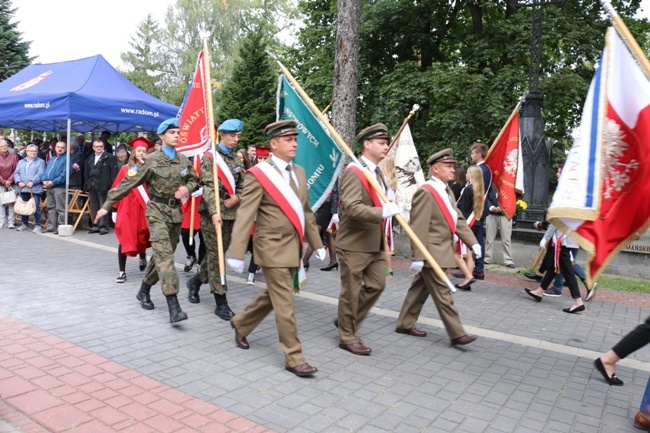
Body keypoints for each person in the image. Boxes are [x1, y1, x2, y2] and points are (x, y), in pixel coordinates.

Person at [227, 120, 325, 377]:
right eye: (288, 140)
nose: (294, 144)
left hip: (292, 247)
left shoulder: (300, 172)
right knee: (285, 303)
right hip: (270, 248)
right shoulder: (259, 174)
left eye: (295, 139)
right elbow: (246, 214)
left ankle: (241, 323)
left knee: (275, 294)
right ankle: (294, 357)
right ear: (273, 144)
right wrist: (237, 253)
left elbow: (305, 211)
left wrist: (317, 243)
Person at [95, 118, 199, 323]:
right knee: (166, 258)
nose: (176, 135)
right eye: (172, 132)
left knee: (160, 256)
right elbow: (127, 183)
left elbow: (194, 179)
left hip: (175, 214)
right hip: (157, 212)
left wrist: (187, 188)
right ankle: (173, 305)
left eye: (178, 132)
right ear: (161, 136)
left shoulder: (183, 160)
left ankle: (144, 289)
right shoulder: (151, 161)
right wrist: (107, 205)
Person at [395, 149, 480, 346]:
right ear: (435, 168)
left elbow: (456, 218)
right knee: (443, 292)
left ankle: (405, 323)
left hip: (441, 249)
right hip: (432, 252)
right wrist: (417, 255)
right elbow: (418, 226)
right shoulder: (426, 191)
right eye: (448, 167)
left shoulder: (446, 190)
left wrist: (472, 242)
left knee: (420, 288)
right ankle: (457, 333)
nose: (453, 170)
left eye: (452, 166)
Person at [335, 123, 401, 356]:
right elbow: (352, 208)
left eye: (386, 143)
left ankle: (346, 319)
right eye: (382, 143)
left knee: (377, 285)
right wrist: (382, 212)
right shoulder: (355, 172)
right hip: (353, 244)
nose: (386, 147)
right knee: (350, 292)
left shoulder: (378, 173)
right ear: (367, 144)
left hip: (373, 243)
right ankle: (347, 335)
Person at [186, 119, 244, 320]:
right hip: (212, 215)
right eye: (232, 136)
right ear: (223, 135)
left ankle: (194, 282)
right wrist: (214, 212)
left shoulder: (237, 160)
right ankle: (221, 301)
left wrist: (237, 198)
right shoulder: (210, 158)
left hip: (231, 214)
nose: (236, 139)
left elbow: (243, 185)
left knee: (214, 255)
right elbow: (208, 187)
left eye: (238, 136)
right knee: (217, 256)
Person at [111, 137, 152, 284]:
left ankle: (142, 255)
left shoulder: (149, 169)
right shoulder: (124, 170)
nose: (141, 153)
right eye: (139, 151)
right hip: (127, 208)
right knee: (124, 238)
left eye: (144, 151)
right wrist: (114, 210)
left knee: (142, 235)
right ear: (133, 152)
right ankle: (122, 271)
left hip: (143, 208)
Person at [523, 223, 586, 313]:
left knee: (568, 273)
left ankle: (578, 301)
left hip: (563, 240)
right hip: (568, 237)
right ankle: (539, 292)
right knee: (553, 266)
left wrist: (546, 237)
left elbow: (556, 221)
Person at [469, 142, 498, 280]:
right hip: (475, 208)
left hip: (476, 209)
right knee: (474, 238)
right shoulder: (481, 168)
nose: (471, 155)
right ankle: (472, 265)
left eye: (473, 153)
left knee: (477, 239)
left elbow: (479, 190)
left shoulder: (483, 170)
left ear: (479, 155)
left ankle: (478, 267)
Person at [453, 165, 485, 290]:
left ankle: (467, 275)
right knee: (469, 254)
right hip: (476, 224)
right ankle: (468, 277)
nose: (466, 175)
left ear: (471, 175)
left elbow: (463, 210)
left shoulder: (468, 190)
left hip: (467, 224)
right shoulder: (479, 189)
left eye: (467, 173)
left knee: (456, 253)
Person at [85, 139, 118, 234]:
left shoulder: (110, 157)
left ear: (104, 147)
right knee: (94, 206)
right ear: (93, 148)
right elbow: (87, 171)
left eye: (101, 146)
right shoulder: (91, 157)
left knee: (103, 206)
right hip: (92, 184)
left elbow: (113, 173)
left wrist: (110, 185)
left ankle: (103, 227)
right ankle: (95, 225)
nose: (99, 148)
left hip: (103, 185)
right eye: (97, 146)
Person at [14, 144, 46, 233]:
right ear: (27, 152)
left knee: (35, 206)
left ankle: (38, 225)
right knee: (24, 206)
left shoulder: (41, 162)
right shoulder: (21, 162)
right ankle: (24, 224)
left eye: (35, 151)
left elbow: (41, 173)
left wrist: (32, 181)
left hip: (35, 188)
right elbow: (16, 173)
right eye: (31, 151)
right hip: (23, 188)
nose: (33, 153)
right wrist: (19, 182)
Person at [42, 141, 70, 234]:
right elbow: (46, 171)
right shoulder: (52, 159)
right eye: (58, 147)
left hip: (59, 187)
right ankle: (51, 227)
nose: (60, 149)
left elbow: (64, 174)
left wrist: (53, 182)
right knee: (50, 207)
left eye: (62, 147)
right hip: (49, 186)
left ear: (65, 149)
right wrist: (44, 180)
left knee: (60, 208)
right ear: (55, 148)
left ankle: (61, 227)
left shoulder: (67, 159)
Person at [483, 193, 515, 268]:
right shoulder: (491, 184)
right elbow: (486, 195)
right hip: (491, 214)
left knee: (506, 239)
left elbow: (512, 198)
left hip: (505, 215)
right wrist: (491, 207)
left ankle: (508, 260)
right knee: (489, 239)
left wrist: (501, 208)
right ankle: (487, 258)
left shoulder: (507, 185)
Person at [0, 139, 19, 229]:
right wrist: (4, 181)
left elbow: (16, 170)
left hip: (12, 183)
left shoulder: (14, 157)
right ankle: (2, 221)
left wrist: (9, 180)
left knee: (11, 202)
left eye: (5, 146)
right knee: (1, 203)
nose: (4, 147)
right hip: (1, 183)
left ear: (8, 147)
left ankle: (11, 222)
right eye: (2, 146)